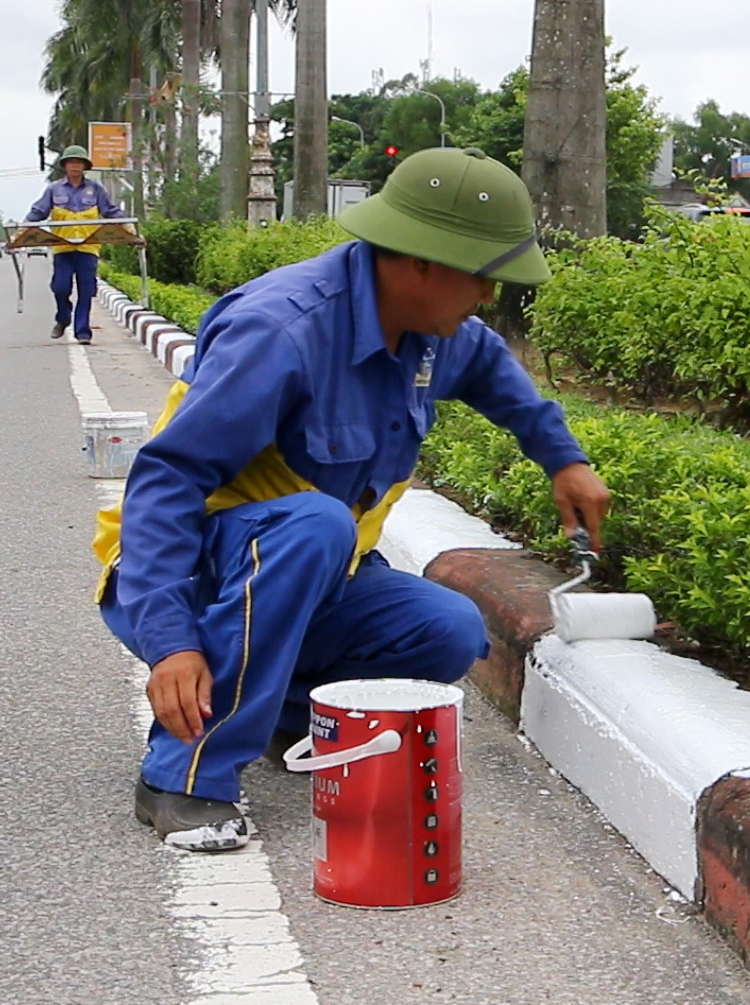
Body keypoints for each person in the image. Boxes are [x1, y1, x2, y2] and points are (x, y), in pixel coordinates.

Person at [95, 146, 610, 852]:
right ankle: (183, 777)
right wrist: (171, 642)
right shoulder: (283, 331)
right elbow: (167, 480)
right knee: (315, 524)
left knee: (447, 630)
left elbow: (497, 374)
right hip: (188, 570)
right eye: (483, 276)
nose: (489, 297)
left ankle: (288, 717)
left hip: (307, 573)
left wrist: (566, 461)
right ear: (420, 260)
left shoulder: (434, 333)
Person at [24, 144, 125, 344]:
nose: (75, 166)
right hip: (63, 247)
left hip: (88, 247)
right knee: (60, 286)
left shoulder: (96, 189)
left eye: (79, 162)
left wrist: (128, 225)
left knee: (86, 290)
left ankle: (83, 331)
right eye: (71, 162)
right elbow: (38, 212)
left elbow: (110, 211)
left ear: (85, 166)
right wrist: (23, 228)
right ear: (65, 165)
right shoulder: (54, 189)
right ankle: (63, 318)